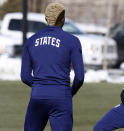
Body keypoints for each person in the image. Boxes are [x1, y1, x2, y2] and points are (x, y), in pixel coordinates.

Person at [21, 2, 84, 131]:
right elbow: (80, 77)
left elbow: (25, 76)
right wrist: (70, 92)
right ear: (63, 19)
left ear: (46, 19)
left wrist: (41, 86)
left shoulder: (31, 40)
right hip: (61, 95)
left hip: (37, 95)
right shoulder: (72, 40)